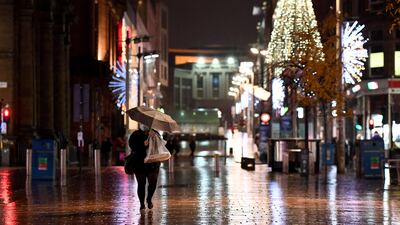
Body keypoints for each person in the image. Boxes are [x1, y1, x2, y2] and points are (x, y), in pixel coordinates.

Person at [129, 125, 160, 210]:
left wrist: (154, 138)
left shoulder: (155, 133)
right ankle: (142, 203)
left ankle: (149, 199)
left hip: (153, 164)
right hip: (139, 163)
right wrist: (142, 145)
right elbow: (132, 146)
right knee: (141, 184)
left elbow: (160, 147)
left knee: (152, 183)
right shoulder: (135, 134)